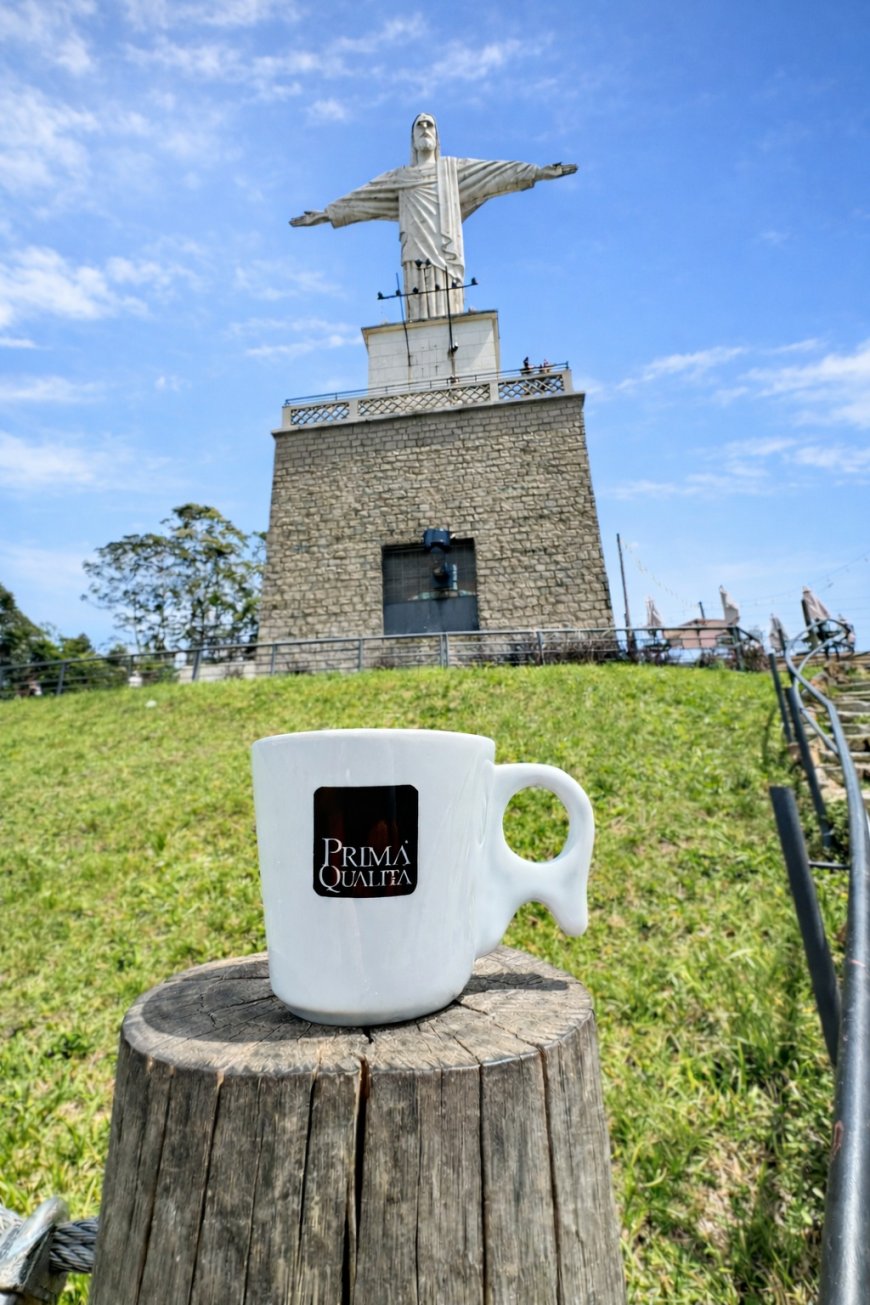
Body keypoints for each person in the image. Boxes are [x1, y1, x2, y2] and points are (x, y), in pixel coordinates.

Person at [291, 114, 577, 321]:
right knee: (418, 297)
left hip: (445, 249)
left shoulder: (452, 170)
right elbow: (365, 198)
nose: (425, 128)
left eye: (430, 125)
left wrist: (537, 172)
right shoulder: (399, 177)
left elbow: (494, 173)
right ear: (413, 139)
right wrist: (327, 214)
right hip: (414, 250)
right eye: (420, 125)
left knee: (449, 298)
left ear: (437, 137)